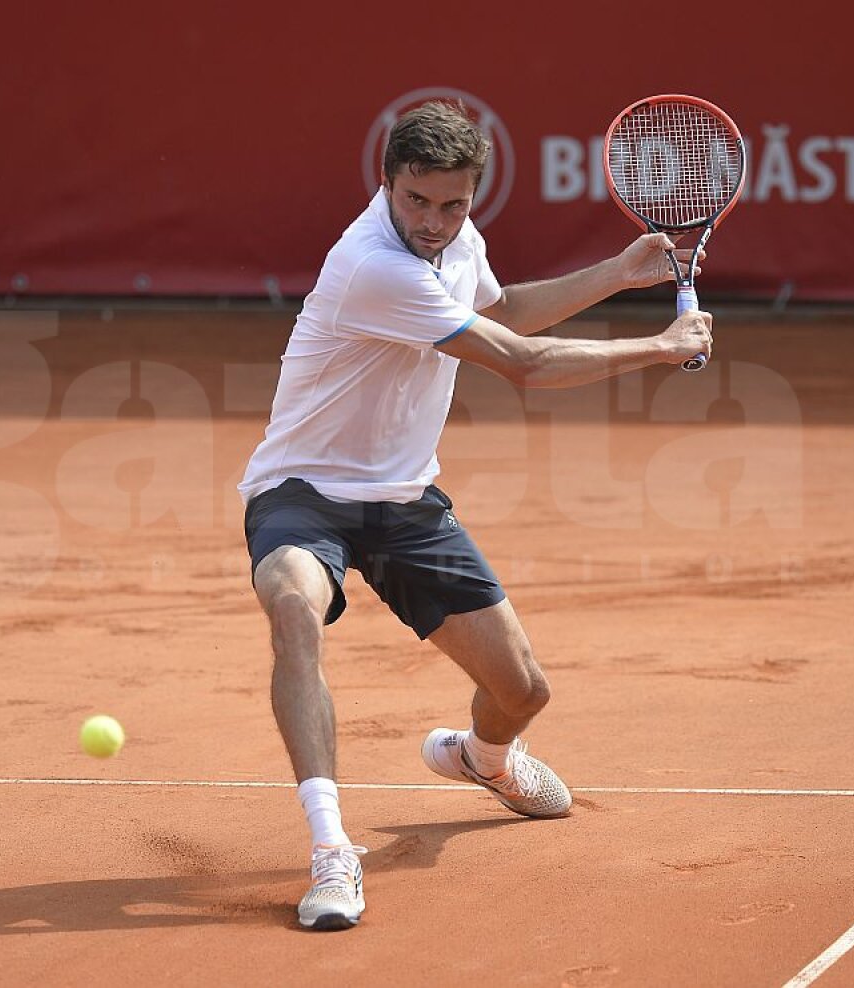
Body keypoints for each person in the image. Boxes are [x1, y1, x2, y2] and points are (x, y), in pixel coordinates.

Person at [239, 100, 711, 931]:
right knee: (293, 607)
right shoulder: (372, 265)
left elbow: (503, 314)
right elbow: (522, 363)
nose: (433, 221)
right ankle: (332, 850)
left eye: (452, 204)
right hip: (303, 493)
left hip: (404, 500)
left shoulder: (457, 243)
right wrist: (658, 348)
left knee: (522, 691)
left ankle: (483, 759)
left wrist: (615, 273)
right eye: (416, 200)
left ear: (473, 197)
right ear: (386, 183)